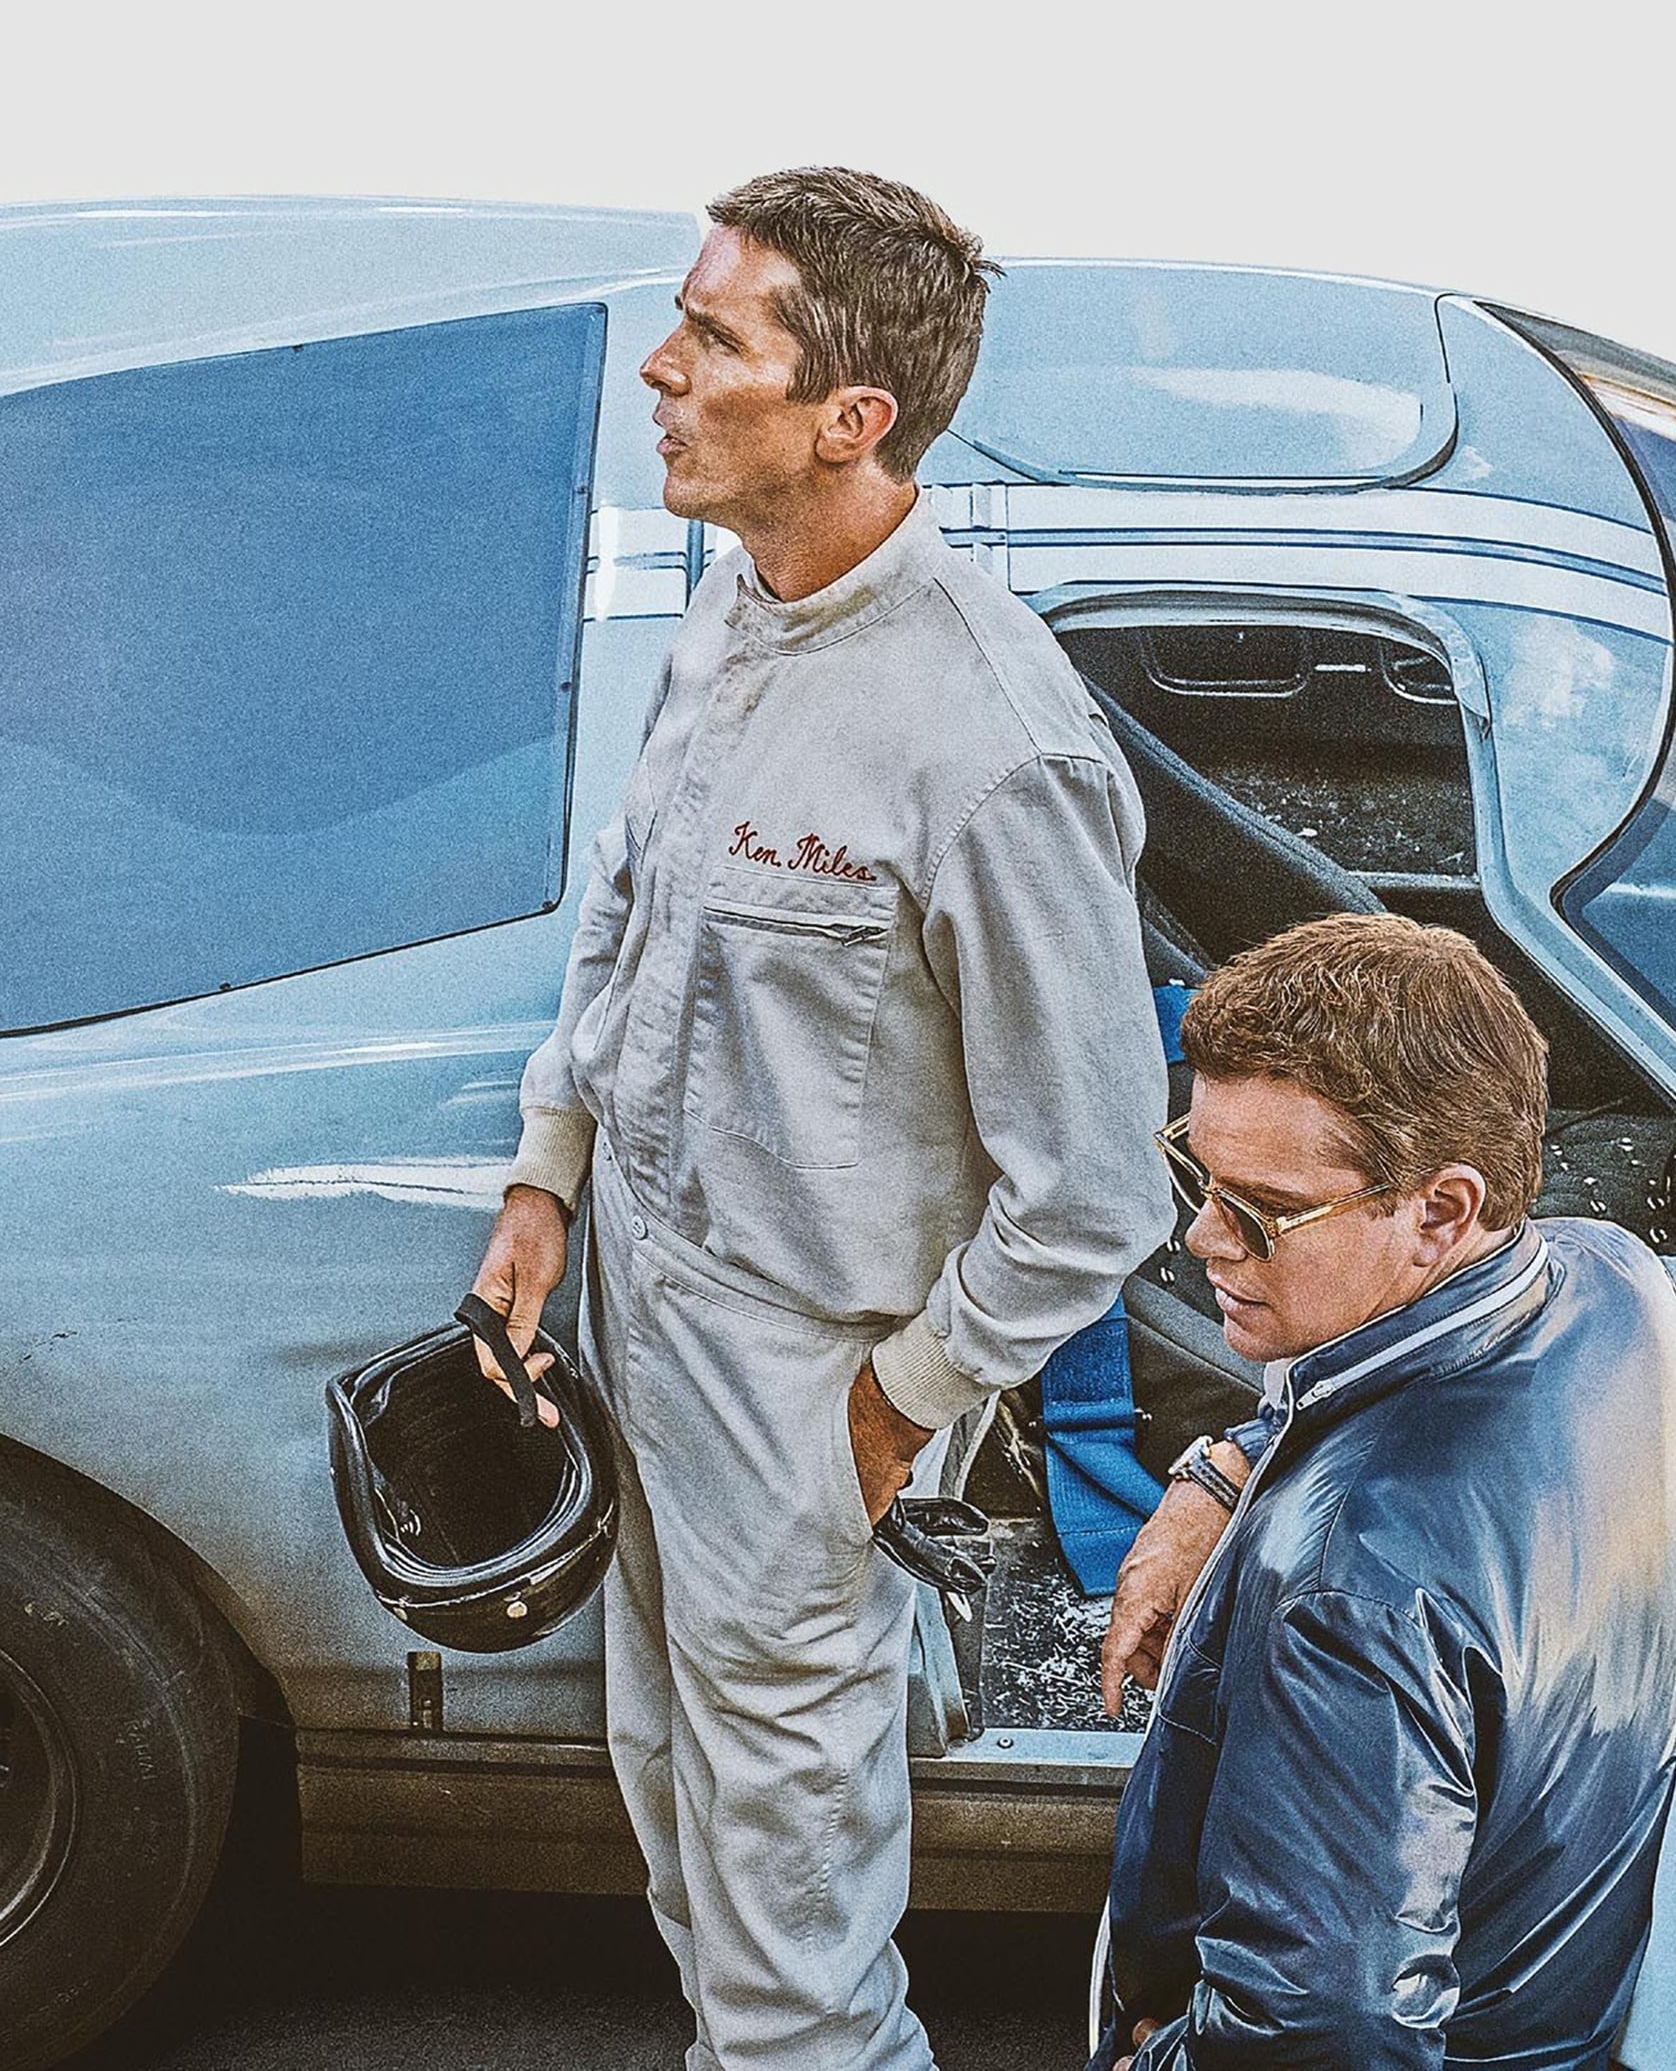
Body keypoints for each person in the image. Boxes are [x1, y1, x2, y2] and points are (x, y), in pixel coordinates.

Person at [463, 168, 1168, 2071]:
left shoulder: (992, 743)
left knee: (791, 1930)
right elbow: (632, 911)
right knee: (679, 1821)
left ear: (851, 416)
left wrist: (897, 1406)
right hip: (640, 1326)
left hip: (804, 1391)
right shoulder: (734, 612)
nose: (659, 370)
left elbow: (1099, 1184)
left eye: (714, 339)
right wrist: (547, 1176)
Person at [1091, 913, 1676, 2071]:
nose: (1203, 1236)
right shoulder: (1610, 1278)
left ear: (1440, 1210)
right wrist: (1219, 1479)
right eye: (1200, 1175)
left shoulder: (1351, 1592)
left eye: (1259, 1208)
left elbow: (1323, 2031)